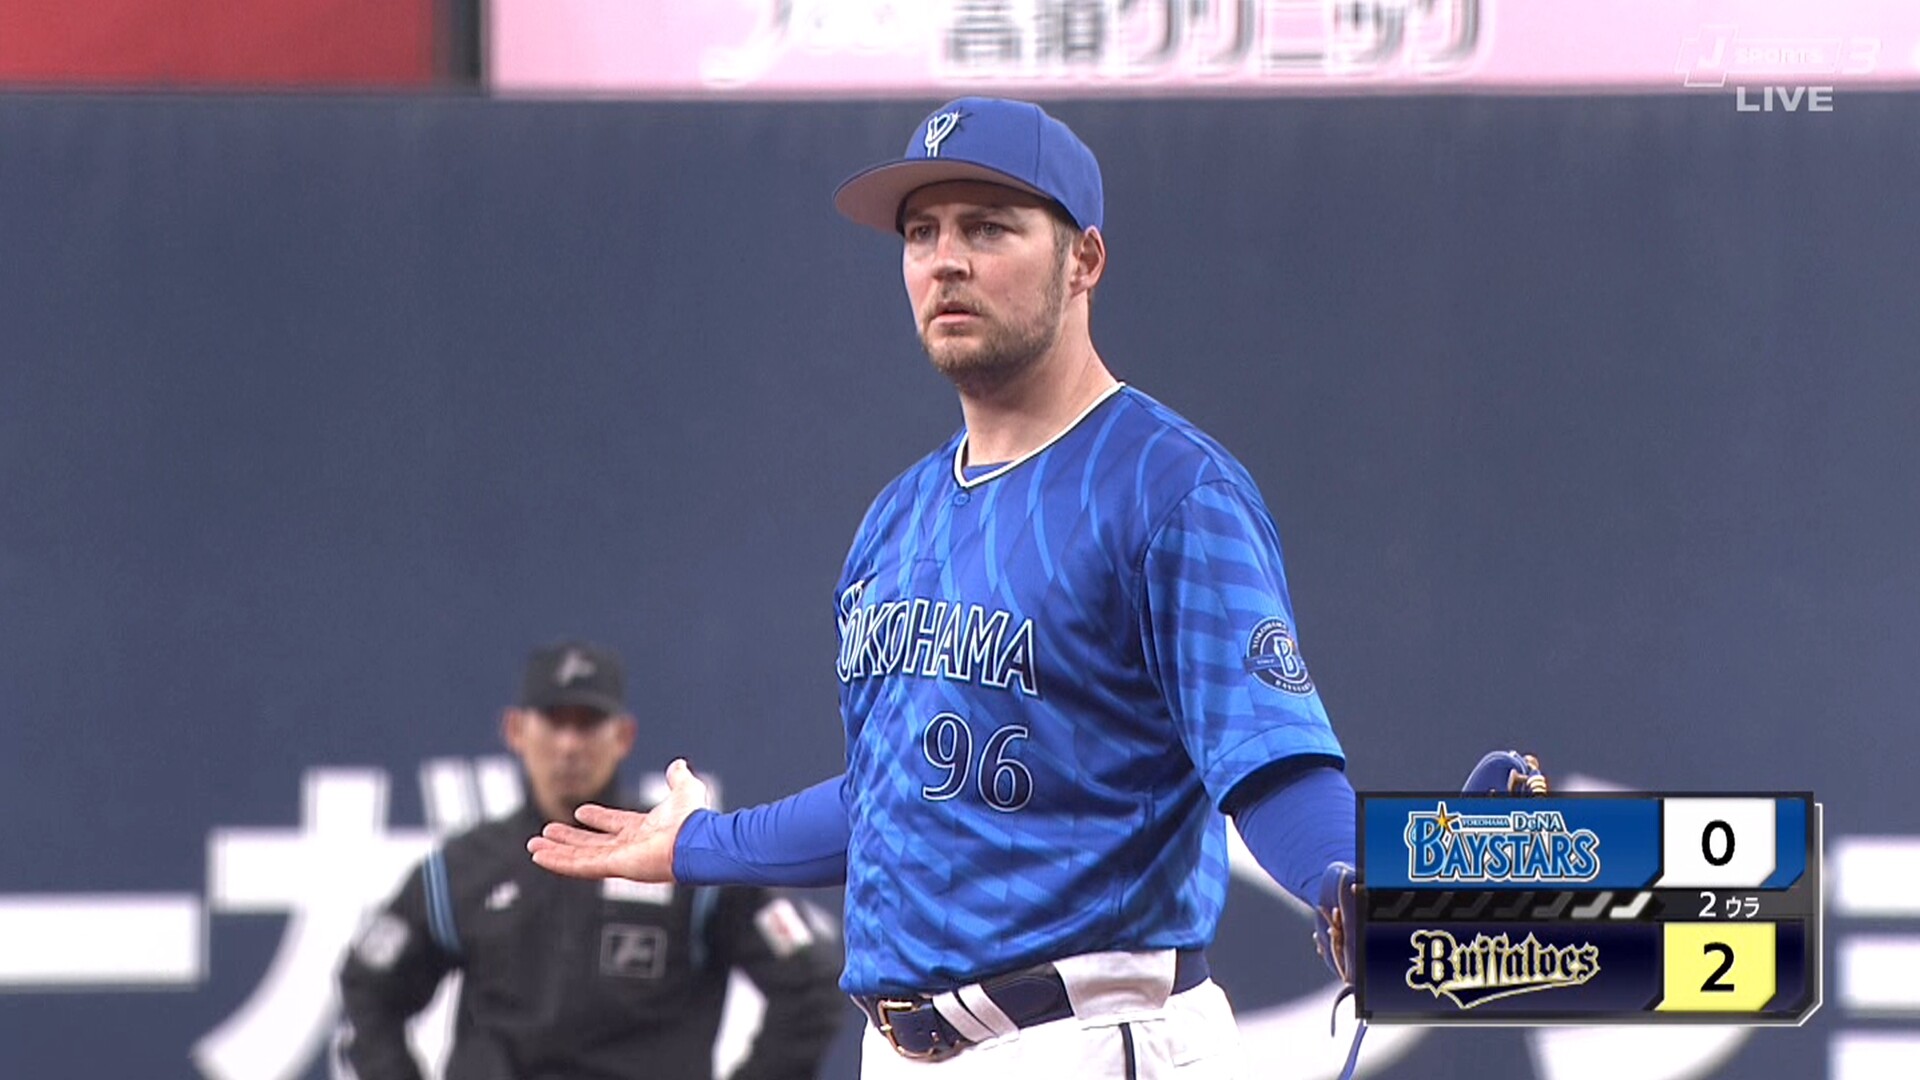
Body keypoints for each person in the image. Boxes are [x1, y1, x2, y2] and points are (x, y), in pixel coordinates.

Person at [527, 100, 1543, 1078]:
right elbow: (897, 798)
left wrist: (1351, 880)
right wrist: (701, 844)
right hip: (900, 1050)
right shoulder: (897, 518)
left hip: (1089, 1040)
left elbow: (1268, 760)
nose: (945, 260)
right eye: (920, 233)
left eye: (988, 227)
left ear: (1084, 260)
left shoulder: (1167, 488)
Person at [336, 640, 846, 1080]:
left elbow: (810, 982)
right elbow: (369, 986)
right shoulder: (465, 867)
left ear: (623, 736)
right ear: (516, 730)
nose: (569, 745)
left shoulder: (677, 854)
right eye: (553, 721)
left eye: (588, 723)